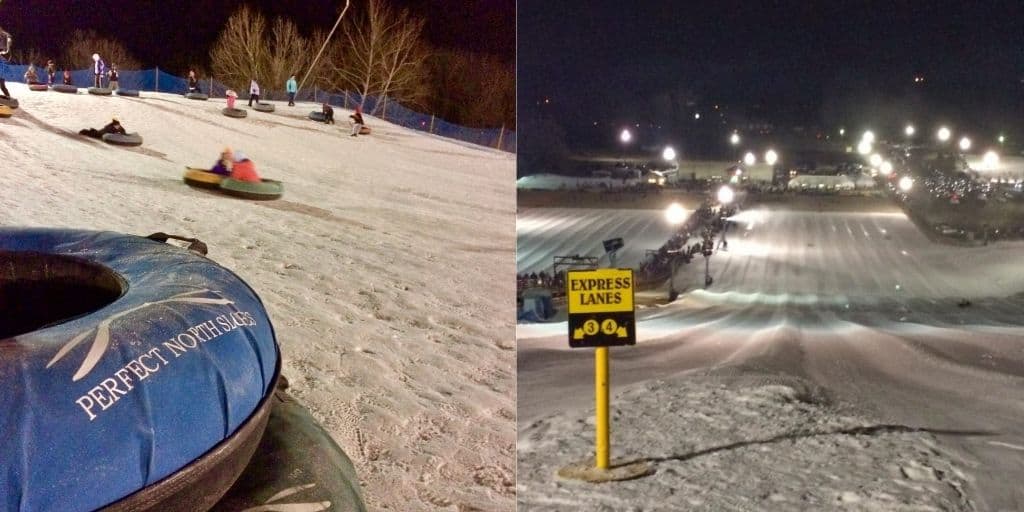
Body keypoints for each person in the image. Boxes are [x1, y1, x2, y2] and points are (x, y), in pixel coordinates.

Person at [0, 28, 12, 99]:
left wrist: (8, 47)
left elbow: (9, 39)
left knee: (2, 86)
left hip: (2, 71)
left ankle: (9, 100)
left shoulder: (5, 34)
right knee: (2, 86)